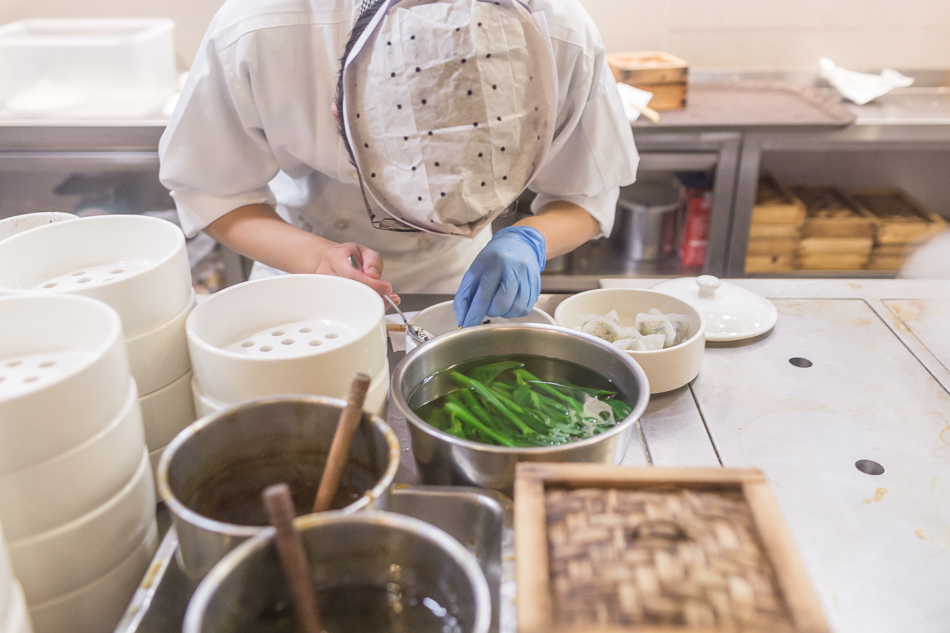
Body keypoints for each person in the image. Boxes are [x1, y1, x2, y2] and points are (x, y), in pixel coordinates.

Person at [159, 0, 638, 326]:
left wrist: (529, 240)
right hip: (301, 274)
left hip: (465, 280)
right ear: (339, 112)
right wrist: (312, 258)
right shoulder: (262, 28)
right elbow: (213, 190)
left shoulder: (562, 35)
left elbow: (586, 193)